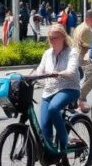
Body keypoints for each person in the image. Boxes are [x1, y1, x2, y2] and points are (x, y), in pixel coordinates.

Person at [32, 24, 79, 156]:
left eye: (55, 38)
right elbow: (40, 70)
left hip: (69, 88)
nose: (51, 40)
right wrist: (33, 76)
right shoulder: (47, 53)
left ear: (63, 37)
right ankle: (51, 154)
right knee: (44, 127)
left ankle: (65, 141)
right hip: (49, 90)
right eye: (50, 38)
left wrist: (59, 73)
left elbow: (71, 70)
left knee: (53, 108)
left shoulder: (72, 52)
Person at [73, 10, 92, 113]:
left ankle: (80, 102)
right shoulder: (86, 29)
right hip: (85, 58)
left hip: (78, 57)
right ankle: (79, 98)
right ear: (90, 18)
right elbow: (91, 46)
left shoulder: (79, 27)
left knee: (84, 79)